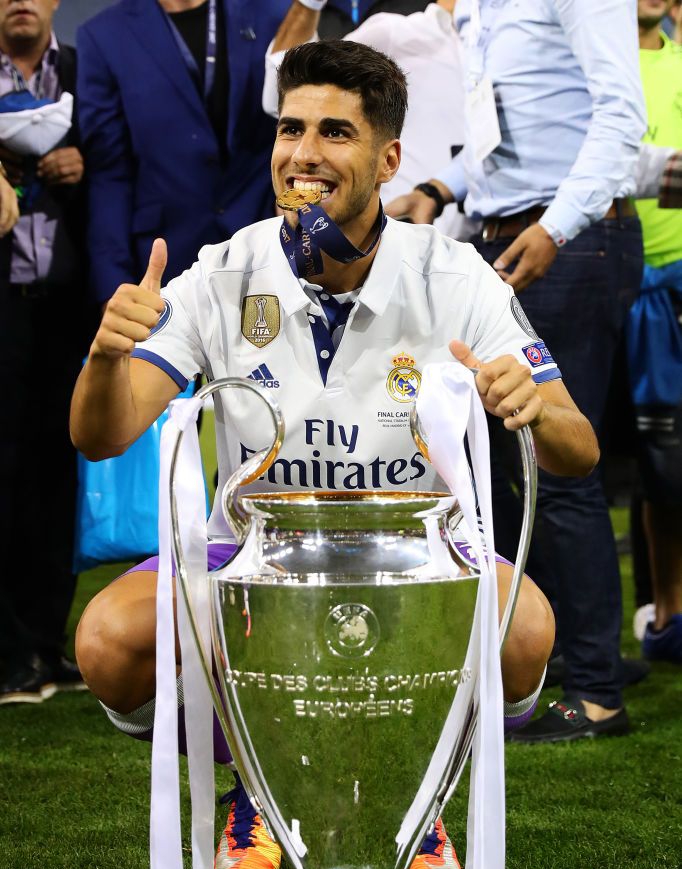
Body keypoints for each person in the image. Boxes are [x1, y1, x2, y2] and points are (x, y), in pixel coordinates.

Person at [70, 41, 597, 869]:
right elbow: (102, 433)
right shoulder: (224, 270)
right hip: (255, 560)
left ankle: (414, 800)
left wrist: (534, 410)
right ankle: (260, 785)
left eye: (335, 133)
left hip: (418, 559)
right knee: (109, 640)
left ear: (389, 158)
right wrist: (103, 356)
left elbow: (579, 446)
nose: (305, 154)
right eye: (291, 129)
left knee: (526, 630)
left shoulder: (453, 273)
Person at [388, 0, 649, 743]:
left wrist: (555, 228)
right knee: (509, 463)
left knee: (560, 465)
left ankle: (597, 691)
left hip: (570, 240)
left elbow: (621, 120)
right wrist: (438, 190)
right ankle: (565, 648)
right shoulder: (482, 9)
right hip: (509, 235)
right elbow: (500, 141)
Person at [75, 0, 290, 304]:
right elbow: (109, 173)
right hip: (166, 262)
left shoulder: (274, 14)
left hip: (268, 250)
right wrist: (113, 288)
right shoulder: (103, 36)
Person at [0, 0, 91, 705]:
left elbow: (125, 160)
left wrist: (79, 163)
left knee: (55, 473)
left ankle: (42, 642)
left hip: (67, 304)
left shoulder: (88, 71)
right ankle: (7, 652)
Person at [263, 0, 471, 238]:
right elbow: (278, 93)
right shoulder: (399, 33)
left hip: (486, 246)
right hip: (382, 242)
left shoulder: (508, 46)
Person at [627, 0, 682, 663]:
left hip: (677, 278)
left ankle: (670, 615)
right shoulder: (592, 64)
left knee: (667, 458)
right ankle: (664, 609)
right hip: (615, 276)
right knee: (657, 461)